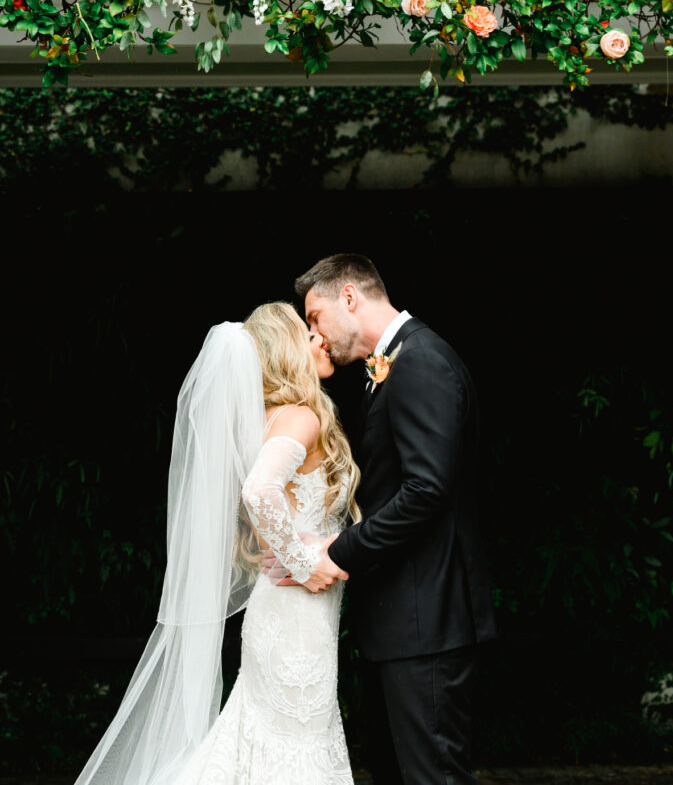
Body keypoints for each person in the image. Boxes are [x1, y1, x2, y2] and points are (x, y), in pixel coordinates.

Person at [74, 302, 360, 785]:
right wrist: (304, 561)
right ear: (289, 350)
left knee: (265, 746)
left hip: (284, 611)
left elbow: (283, 504)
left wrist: (315, 544)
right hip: (296, 615)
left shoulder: (269, 417)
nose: (319, 339)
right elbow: (258, 491)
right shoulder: (302, 416)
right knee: (296, 749)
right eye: (306, 333)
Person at [291, 253, 497, 785]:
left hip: (426, 620)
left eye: (315, 317)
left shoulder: (422, 361)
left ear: (350, 297)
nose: (315, 333)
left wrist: (339, 551)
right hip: (405, 621)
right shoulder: (392, 365)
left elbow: (427, 491)